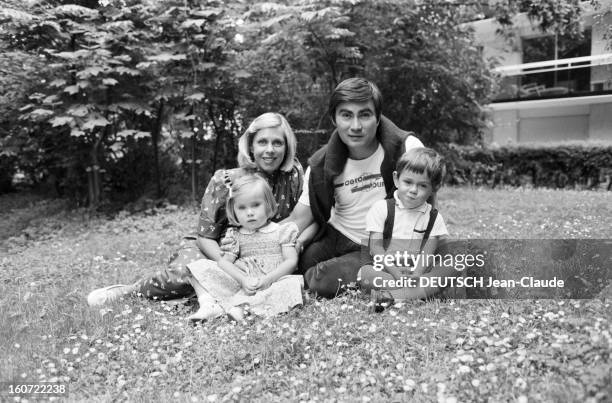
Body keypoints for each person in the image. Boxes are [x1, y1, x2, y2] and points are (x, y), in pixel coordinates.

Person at [87, 112, 305, 307]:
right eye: (262, 142)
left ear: (287, 147)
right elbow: (205, 236)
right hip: (216, 249)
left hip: (260, 253)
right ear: (251, 146)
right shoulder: (226, 180)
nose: (269, 150)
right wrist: (230, 267)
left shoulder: (293, 176)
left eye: (277, 143)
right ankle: (130, 291)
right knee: (184, 275)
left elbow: (301, 219)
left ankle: (207, 296)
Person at [287, 77, 425, 298]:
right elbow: (297, 220)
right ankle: (369, 275)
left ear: (378, 118)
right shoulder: (321, 164)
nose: (356, 126)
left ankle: (383, 277)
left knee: (322, 280)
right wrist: (255, 237)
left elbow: (428, 208)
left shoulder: (406, 148)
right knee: (301, 260)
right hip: (338, 233)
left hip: (381, 242)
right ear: (334, 119)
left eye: (365, 115)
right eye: (346, 115)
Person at [185, 174, 303, 322]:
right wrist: (242, 280)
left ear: (269, 205)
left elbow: (291, 261)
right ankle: (208, 304)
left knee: (289, 285)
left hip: (274, 280)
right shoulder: (235, 235)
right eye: (242, 207)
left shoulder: (283, 231)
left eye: (256, 205)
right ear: (233, 211)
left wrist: (268, 280)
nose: (249, 212)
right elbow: (224, 262)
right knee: (199, 267)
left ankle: (242, 309)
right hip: (243, 280)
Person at [357, 147, 449, 297]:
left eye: (423, 185)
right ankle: (413, 294)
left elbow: (428, 253)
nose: (413, 190)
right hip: (385, 270)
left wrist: (416, 275)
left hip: (417, 274)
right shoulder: (381, 208)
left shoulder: (434, 217)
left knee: (452, 268)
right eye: (408, 182)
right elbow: (376, 248)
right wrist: (397, 274)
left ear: (434, 188)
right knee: (365, 274)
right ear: (396, 179)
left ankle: (392, 296)